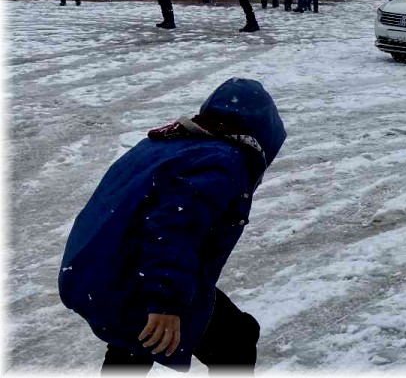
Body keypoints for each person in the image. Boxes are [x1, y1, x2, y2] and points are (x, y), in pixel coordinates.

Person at [59, 78, 286, 374]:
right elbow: (171, 226)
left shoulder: (173, 142)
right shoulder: (222, 161)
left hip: (99, 270)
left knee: (134, 345)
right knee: (233, 340)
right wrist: (165, 302)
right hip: (133, 277)